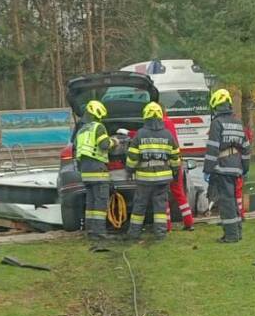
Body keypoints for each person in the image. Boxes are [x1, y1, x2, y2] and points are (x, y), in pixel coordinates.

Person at [126, 102, 180, 240]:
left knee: (140, 205)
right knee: (160, 207)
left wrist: (129, 170)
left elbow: (132, 157)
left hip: (144, 178)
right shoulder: (167, 135)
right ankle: (160, 234)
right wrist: (175, 172)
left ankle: (134, 233)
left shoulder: (140, 134)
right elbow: (175, 157)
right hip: (163, 178)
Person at [204, 88, 250, 243]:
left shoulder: (217, 123)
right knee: (233, 200)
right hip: (236, 167)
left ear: (215, 106)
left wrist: (208, 170)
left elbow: (212, 149)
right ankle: (237, 232)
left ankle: (231, 236)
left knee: (226, 202)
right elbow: (246, 148)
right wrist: (245, 167)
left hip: (222, 167)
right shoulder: (238, 122)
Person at [75, 99, 115, 241]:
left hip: (85, 171)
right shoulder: (98, 127)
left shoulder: (81, 130)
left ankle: (91, 231)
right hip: (97, 169)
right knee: (100, 202)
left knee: (91, 202)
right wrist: (115, 142)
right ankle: (100, 233)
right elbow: (104, 145)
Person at [161, 107, 194, 232]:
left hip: (164, 164)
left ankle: (167, 226)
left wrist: (129, 133)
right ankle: (189, 222)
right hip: (176, 162)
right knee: (179, 193)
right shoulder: (170, 122)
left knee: (163, 194)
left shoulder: (160, 124)